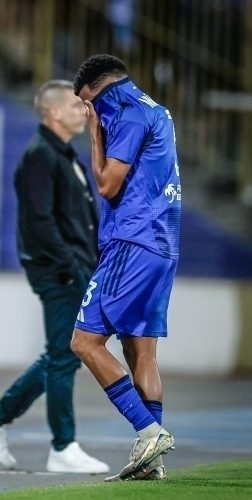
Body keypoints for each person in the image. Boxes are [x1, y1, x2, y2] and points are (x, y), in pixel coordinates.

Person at [0, 80, 109, 474]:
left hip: (75, 269)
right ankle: (62, 446)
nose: (84, 111)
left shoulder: (63, 154)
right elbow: (39, 224)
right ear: (54, 113)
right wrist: (71, 268)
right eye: (76, 106)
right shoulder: (40, 157)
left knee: (61, 354)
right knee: (64, 356)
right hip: (60, 272)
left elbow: (79, 222)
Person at [71, 54, 181, 481]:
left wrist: (94, 135)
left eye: (87, 103)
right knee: (140, 351)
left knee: (85, 342)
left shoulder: (127, 114)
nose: (89, 112)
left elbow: (106, 184)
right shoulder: (156, 110)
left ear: (99, 90)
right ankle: (151, 463)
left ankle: (149, 432)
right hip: (162, 244)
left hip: (133, 241)